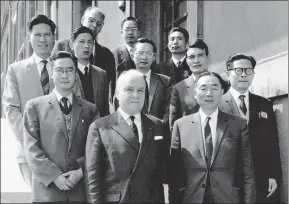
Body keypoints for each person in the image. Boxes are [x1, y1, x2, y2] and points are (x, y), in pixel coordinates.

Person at [23, 51, 99, 203]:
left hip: (80, 193)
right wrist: (55, 176)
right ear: (51, 72)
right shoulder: (34, 107)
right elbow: (31, 148)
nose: (65, 75)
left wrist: (81, 172)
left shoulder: (90, 110)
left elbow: (97, 147)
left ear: (76, 73)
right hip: (47, 193)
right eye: (60, 70)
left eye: (70, 70)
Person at [170, 72, 256, 203]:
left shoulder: (238, 124)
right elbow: (175, 173)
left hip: (228, 198)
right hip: (192, 198)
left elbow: (248, 172)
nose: (209, 93)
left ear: (222, 92)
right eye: (203, 88)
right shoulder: (181, 125)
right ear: (194, 93)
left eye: (214, 88)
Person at [85, 69, 166, 203]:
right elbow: (92, 177)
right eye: (129, 89)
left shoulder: (157, 125)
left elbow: (163, 170)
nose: (135, 95)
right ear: (117, 94)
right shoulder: (100, 127)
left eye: (140, 90)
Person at [2, 14, 56, 189]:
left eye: (47, 35)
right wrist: (30, 141)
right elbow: (11, 109)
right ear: (29, 38)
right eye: (37, 35)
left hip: (61, 151)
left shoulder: (64, 68)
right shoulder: (15, 70)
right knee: (37, 196)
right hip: (29, 152)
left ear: (53, 37)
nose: (42, 40)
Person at [219, 53, 282, 203]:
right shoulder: (218, 104)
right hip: (228, 179)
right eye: (239, 70)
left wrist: (273, 175)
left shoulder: (264, 104)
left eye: (248, 70)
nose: (244, 75)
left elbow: (272, 143)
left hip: (260, 177)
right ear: (228, 74)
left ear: (253, 74)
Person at [52, 6, 116, 105]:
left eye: (99, 24)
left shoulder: (107, 55)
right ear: (82, 20)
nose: (94, 25)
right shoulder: (62, 46)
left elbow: (107, 93)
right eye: (91, 20)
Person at [169, 39, 210, 130]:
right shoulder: (179, 88)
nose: (196, 61)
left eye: (200, 55)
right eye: (191, 57)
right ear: (187, 61)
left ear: (207, 57)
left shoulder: (220, 83)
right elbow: (174, 124)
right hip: (189, 140)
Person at [69, 26, 109, 117]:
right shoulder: (67, 73)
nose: (86, 46)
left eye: (90, 42)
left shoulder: (101, 74)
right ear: (71, 45)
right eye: (82, 42)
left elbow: (105, 109)